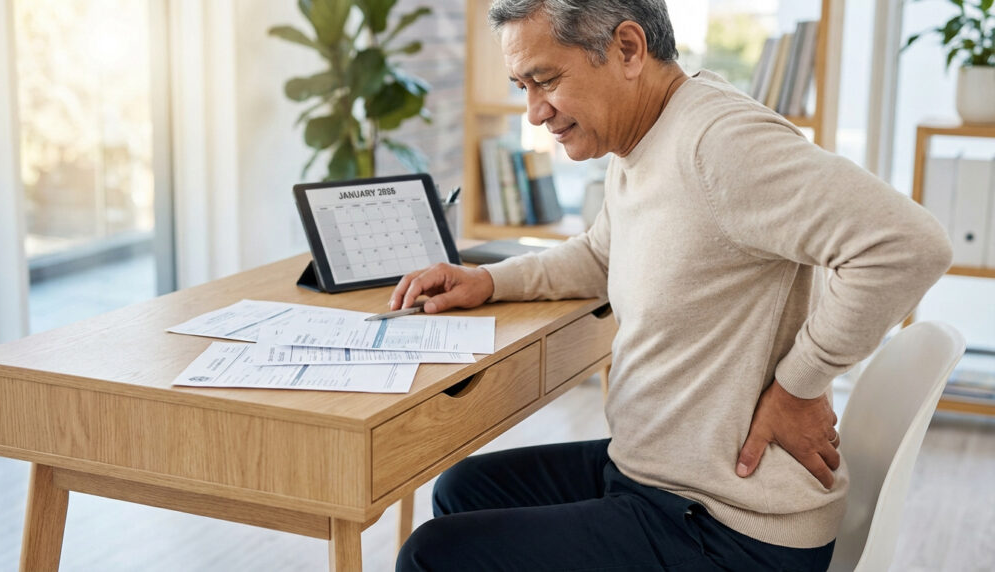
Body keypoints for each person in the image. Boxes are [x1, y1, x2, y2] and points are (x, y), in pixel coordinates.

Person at [393, 1, 952, 570]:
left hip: (728, 523)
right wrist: (486, 281)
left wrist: (797, 386)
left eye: (546, 81)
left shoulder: (721, 144)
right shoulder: (637, 136)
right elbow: (599, 254)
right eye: (521, 86)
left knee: (432, 555)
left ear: (628, 50)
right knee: (462, 489)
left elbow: (908, 244)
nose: (535, 112)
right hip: (655, 472)